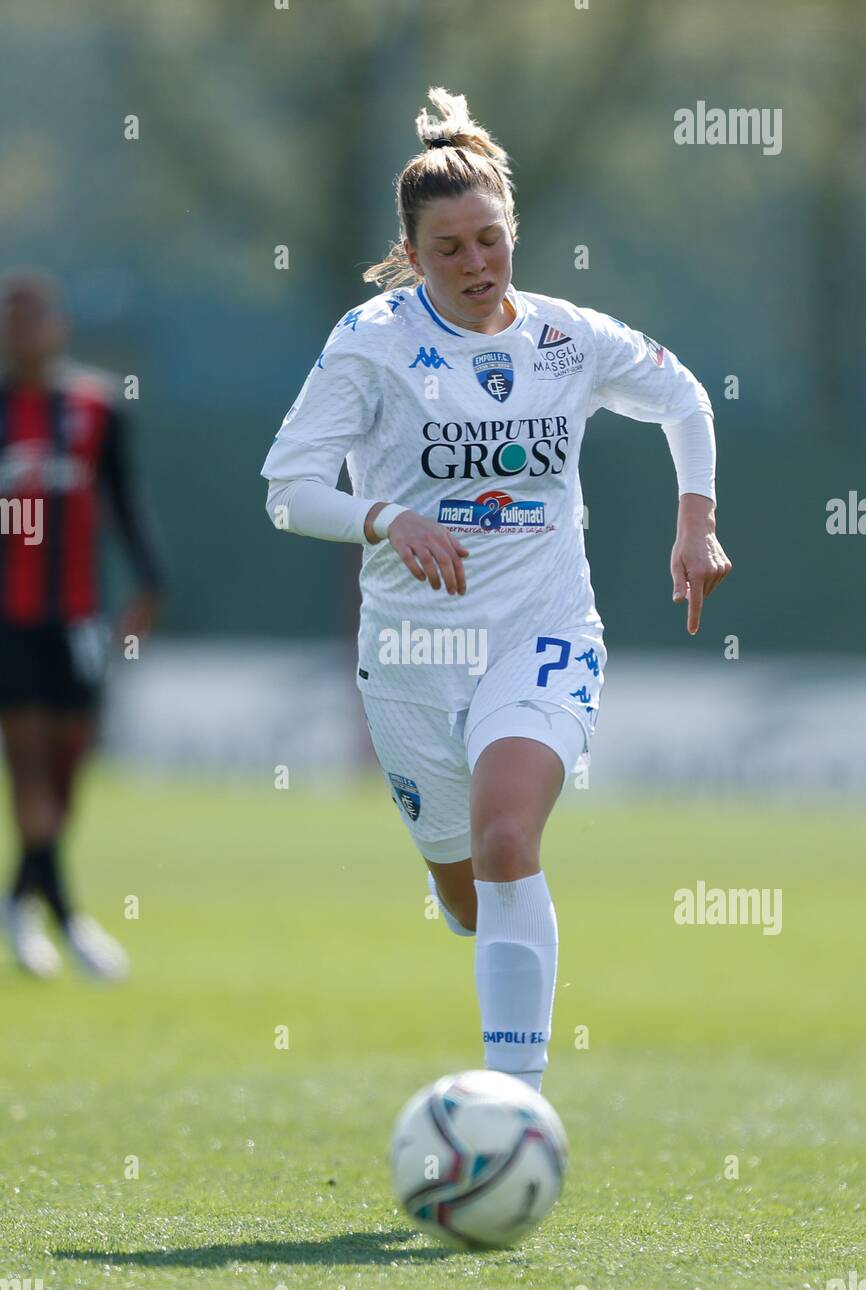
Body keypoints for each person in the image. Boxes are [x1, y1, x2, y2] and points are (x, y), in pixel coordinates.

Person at [261, 88, 731, 1093]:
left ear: (511, 232)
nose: (475, 266)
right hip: (409, 655)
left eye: (488, 241)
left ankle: (511, 1110)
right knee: (470, 891)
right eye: (449, 250)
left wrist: (694, 519)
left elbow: (680, 394)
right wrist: (387, 519)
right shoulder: (370, 342)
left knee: (508, 832)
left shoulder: (564, 339)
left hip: (542, 628)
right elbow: (287, 491)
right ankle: (475, 908)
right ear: (412, 253)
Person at [0, 270, 164, 979]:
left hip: (80, 618)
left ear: (57, 327)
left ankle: (20, 899)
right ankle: (69, 921)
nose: (21, 334)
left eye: (31, 319)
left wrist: (151, 584)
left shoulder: (96, 407)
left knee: (68, 769)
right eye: (10, 322)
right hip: (9, 621)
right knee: (29, 761)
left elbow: (125, 501)